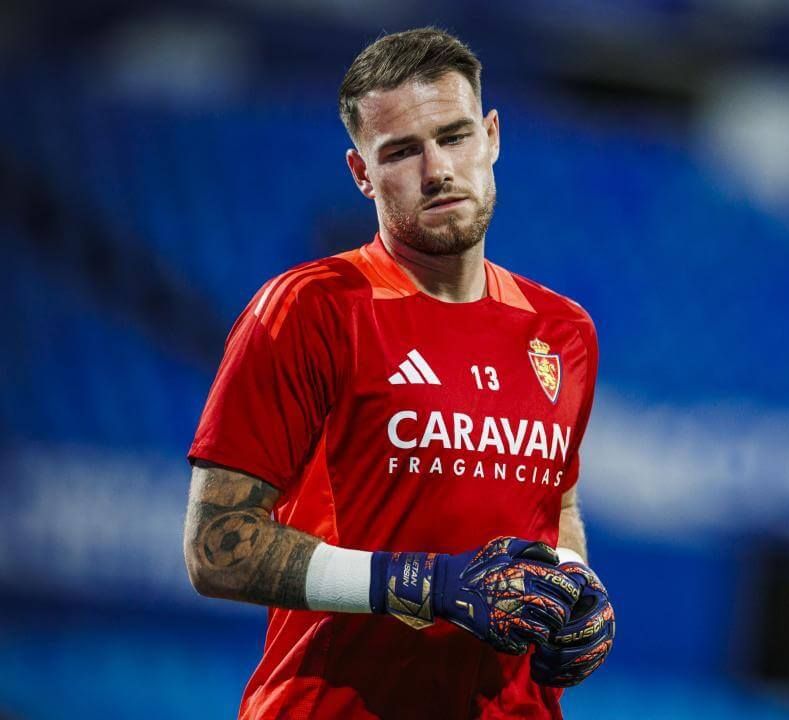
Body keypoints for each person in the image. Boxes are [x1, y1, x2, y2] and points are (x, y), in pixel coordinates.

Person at [183, 27, 614, 719]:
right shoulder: (309, 309)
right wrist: (422, 582)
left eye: (455, 136)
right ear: (361, 174)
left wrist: (574, 586)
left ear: (493, 135)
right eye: (403, 151)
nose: (438, 169)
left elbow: (553, 505)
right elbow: (216, 547)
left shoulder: (564, 331)